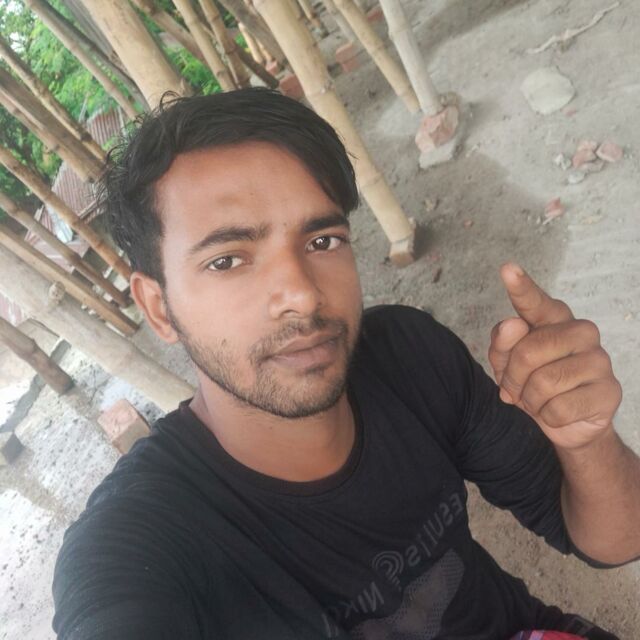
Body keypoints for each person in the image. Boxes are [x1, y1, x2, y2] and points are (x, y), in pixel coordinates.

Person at [52, 88, 640, 640]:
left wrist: (586, 440)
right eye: (228, 259)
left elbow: (615, 539)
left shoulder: (409, 355)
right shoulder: (134, 544)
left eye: (322, 241)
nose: (302, 294)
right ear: (159, 307)